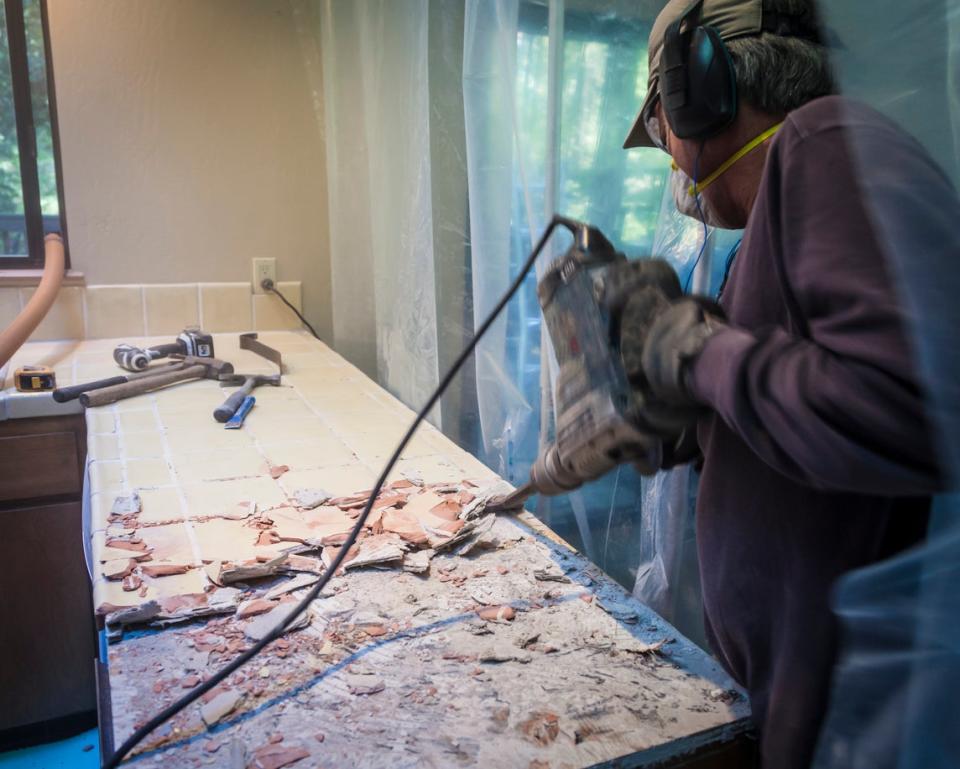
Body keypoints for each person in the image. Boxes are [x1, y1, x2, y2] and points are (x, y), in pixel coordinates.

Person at [623, 0, 947, 766]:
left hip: (856, 726)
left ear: (693, 89)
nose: (668, 152)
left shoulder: (827, 139)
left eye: (661, 123)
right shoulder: (777, 217)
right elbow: (795, 405)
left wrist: (694, 348)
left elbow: (896, 407)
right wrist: (683, 421)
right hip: (805, 706)